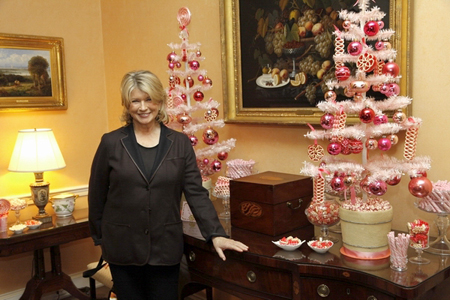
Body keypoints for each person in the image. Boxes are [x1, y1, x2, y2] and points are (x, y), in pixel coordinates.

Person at [88, 70, 248, 300]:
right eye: (136, 100)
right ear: (127, 104)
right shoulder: (111, 143)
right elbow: (97, 194)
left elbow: (195, 193)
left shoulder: (180, 143)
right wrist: (101, 239)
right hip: (122, 248)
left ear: (160, 101)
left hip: (165, 248)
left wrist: (216, 234)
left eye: (149, 99)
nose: (143, 107)